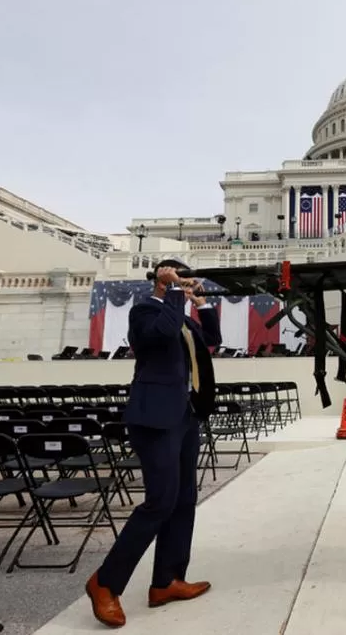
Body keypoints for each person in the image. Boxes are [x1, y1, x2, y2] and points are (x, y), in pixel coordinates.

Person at [85, 258, 222, 628]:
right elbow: (160, 335)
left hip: (186, 415)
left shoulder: (183, 314)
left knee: (184, 500)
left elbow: (212, 340)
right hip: (155, 417)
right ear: (162, 280)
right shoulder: (145, 310)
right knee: (160, 502)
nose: (183, 284)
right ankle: (105, 581)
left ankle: (167, 580)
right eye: (177, 278)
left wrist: (202, 303)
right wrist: (171, 292)